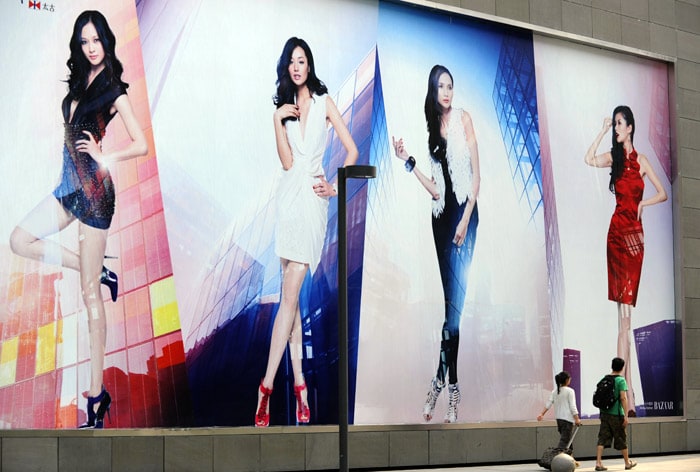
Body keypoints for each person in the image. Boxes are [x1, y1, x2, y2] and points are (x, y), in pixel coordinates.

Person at [9, 10, 148, 428]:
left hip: (95, 197)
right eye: (84, 41)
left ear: (106, 41)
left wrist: (108, 156)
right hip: (67, 189)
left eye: (96, 40)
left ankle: (95, 396)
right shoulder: (77, 84)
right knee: (19, 239)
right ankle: (100, 271)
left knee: (89, 296)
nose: (91, 47)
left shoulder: (113, 88)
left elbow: (141, 143)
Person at [254, 37, 358, 427]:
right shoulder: (285, 108)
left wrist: (333, 185)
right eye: (291, 63)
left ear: (310, 65)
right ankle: (299, 383)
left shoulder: (326, 101)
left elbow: (351, 150)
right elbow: (285, 162)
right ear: (287, 68)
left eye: (302, 61)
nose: (297, 67)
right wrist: (276, 120)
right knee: (291, 301)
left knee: (289, 297)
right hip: (288, 200)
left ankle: (264, 388)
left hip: (313, 205)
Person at [392, 64, 480, 423]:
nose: (447, 92)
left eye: (450, 85)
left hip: (466, 216)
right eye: (441, 86)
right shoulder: (432, 131)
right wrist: (407, 161)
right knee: (451, 311)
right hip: (440, 219)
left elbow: (476, 178)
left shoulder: (464, 119)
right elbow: (435, 188)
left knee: (454, 309)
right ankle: (447, 386)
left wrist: (466, 217)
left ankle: (445, 386)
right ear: (433, 91)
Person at [584, 105, 667, 417]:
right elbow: (588, 158)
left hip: (636, 239)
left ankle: (627, 393)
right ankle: (626, 395)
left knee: (626, 320)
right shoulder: (614, 159)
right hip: (617, 237)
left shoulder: (642, 160)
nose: (617, 127)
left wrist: (643, 204)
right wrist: (603, 130)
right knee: (624, 321)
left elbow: (662, 193)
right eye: (615, 123)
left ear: (630, 127)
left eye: (619, 123)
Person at [594, 357, 637, 471]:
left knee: (602, 437)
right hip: (616, 415)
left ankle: (598, 463)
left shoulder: (604, 379)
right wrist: (626, 415)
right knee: (621, 437)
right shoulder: (620, 380)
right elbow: (623, 397)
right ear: (622, 368)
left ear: (612, 366)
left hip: (604, 413)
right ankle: (627, 463)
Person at [537, 371, 582, 464]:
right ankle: (553, 461)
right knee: (564, 442)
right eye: (569, 378)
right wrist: (577, 418)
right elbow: (573, 406)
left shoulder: (555, 391)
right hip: (567, 420)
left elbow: (549, 403)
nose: (570, 379)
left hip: (559, 420)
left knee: (567, 440)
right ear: (566, 380)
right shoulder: (570, 391)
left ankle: (572, 461)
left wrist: (542, 414)